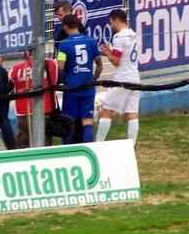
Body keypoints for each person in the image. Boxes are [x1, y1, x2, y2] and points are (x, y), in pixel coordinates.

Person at [96, 9, 141, 145]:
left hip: (122, 80)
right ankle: (131, 145)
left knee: (106, 110)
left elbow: (116, 61)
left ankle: (99, 143)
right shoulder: (135, 35)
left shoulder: (119, 37)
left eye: (111, 23)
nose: (111, 26)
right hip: (135, 77)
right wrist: (110, 52)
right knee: (132, 113)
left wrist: (108, 53)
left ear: (115, 21)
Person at [58, 14, 103, 143]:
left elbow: (60, 67)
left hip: (71, 88)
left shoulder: (64, 45)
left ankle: (68, 151)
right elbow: (100, 66)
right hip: (88, 87)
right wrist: (93, 80)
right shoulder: (91, 41)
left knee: (69, 121)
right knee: (87, 121)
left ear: (65, 26)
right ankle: (88, 149)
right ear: (78, 25)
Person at [9, 48, 59, 148]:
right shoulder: (51, 64)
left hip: (23, 111)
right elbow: (56, 80)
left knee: (23, 143)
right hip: (45, 109)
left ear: (27, 52)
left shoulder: (15, 68)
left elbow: (10, 87)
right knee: (44, 142)